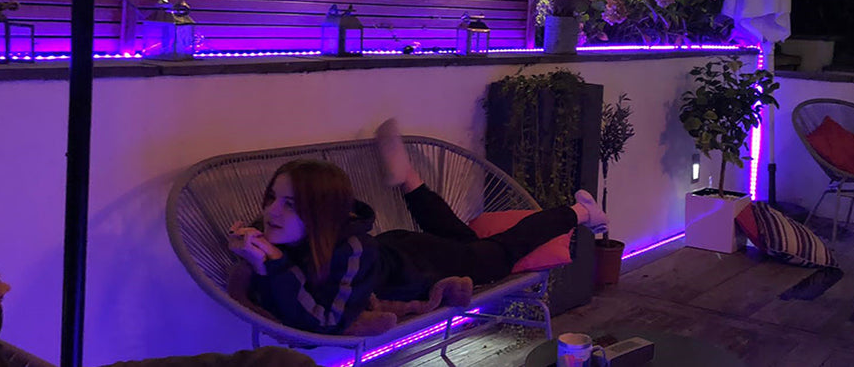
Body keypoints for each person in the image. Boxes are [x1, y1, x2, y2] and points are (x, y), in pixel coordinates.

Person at [228, 119, 607, 335]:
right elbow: (303, 294)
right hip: (399, 252)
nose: (272, 212)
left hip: (421, 265)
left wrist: (270, 263)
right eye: (271, 198)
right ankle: (408, 178)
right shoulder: (284, 233)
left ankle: (579, 212)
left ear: (322, 214)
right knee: (467, 240)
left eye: (289, 204)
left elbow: (326, 320)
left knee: (499, 253)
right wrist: (258, 254)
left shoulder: (349, 252)